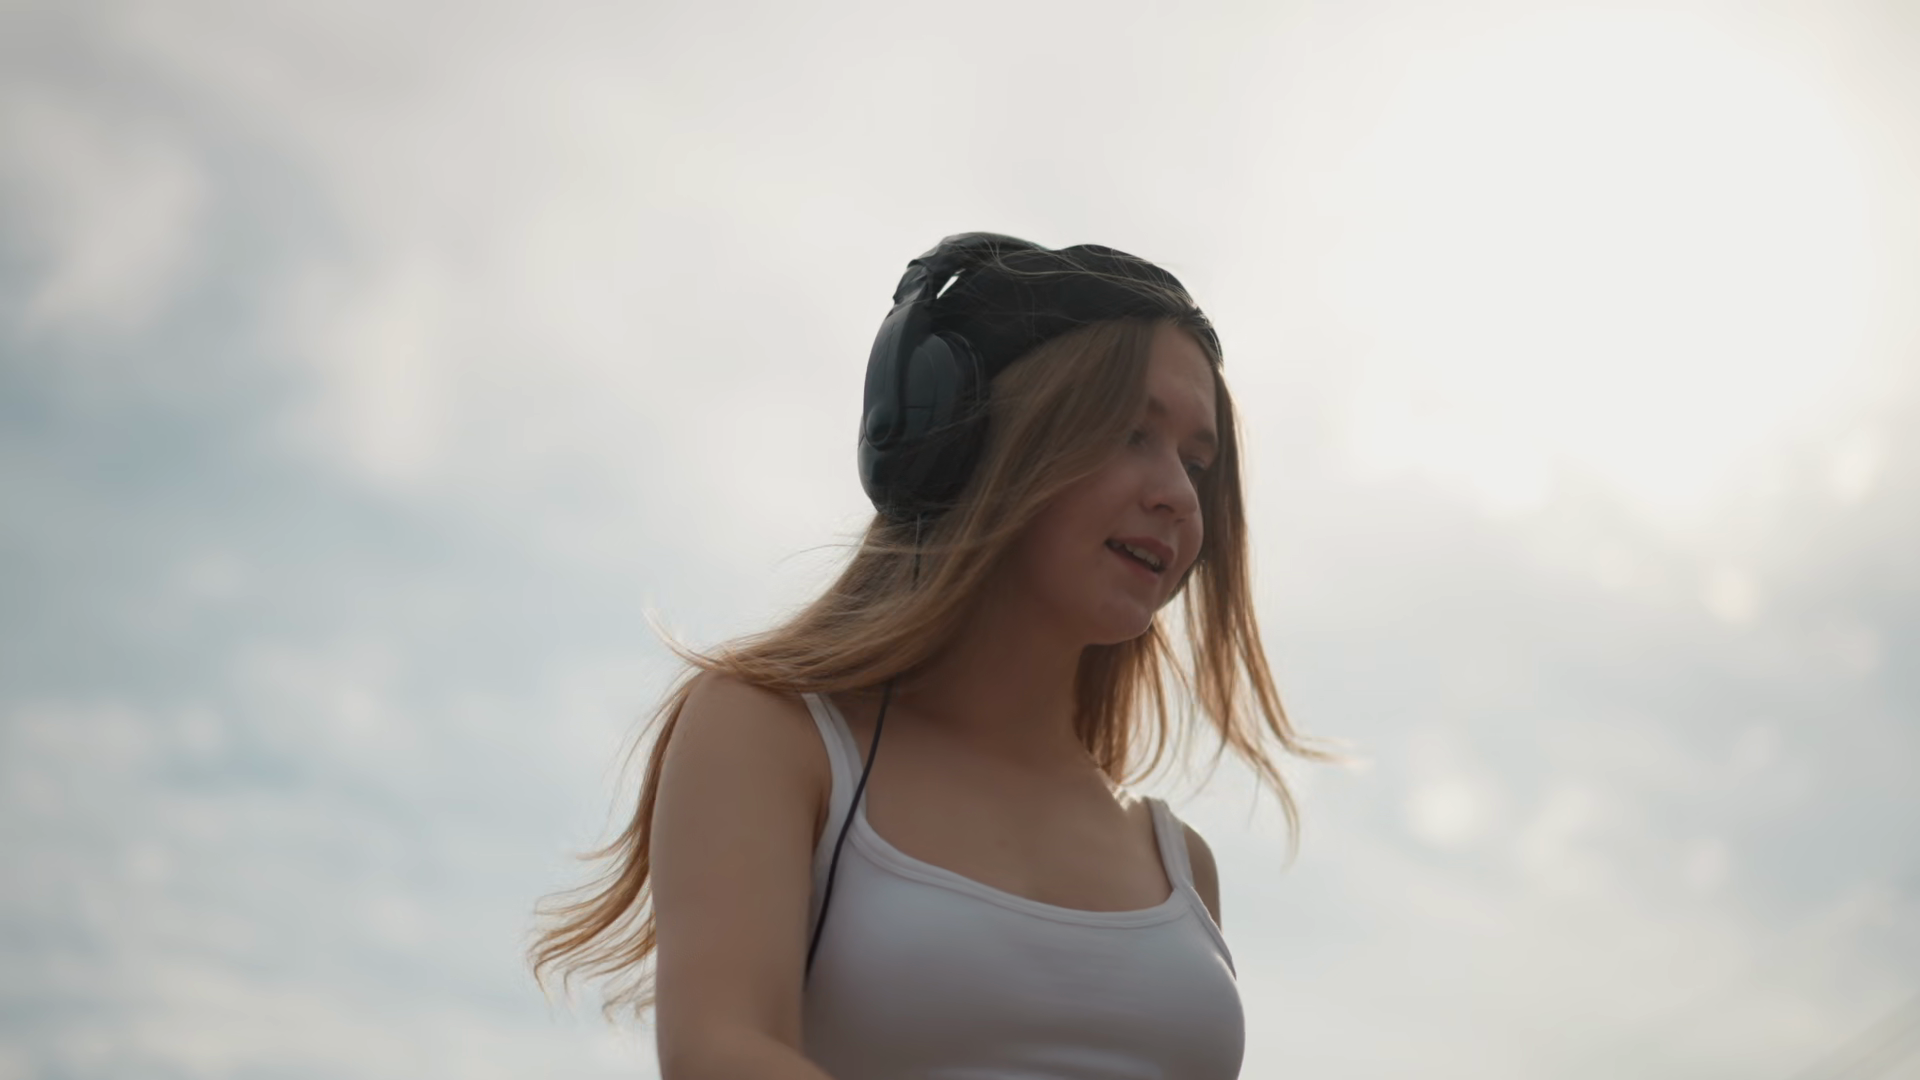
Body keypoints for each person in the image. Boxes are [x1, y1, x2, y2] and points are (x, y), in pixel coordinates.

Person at [531, 233, 1325, 1079]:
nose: (1177, 495)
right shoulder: (770, 734)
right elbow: (719, 1051)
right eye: (1131, 433)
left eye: (1197, 464)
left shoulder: (1181, 866)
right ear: (966, 443)